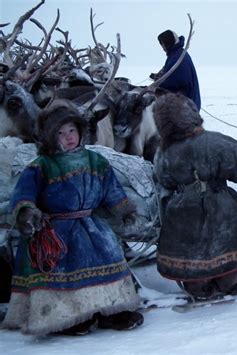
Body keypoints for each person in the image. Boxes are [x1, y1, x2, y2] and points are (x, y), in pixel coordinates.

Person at [2, 99, 144, 336]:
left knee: (109, 255)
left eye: (72, 130)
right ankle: (68, 317)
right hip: (56, 231)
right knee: (63, 269)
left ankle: (112, 310)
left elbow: (111, 188)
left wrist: (124, 209)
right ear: (49, 136)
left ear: (80, 131)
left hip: (91, 226)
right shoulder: (41, 166)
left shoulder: (95, 160)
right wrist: (27, 212)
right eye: (60, 132)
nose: (68, 137)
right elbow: (23, 194)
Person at [152, 91, 237, 299]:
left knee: (191, 249)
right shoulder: (211, 141)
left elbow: (163, 178)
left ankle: (197, 286)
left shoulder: (163, 151)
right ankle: (231, 281)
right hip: (218, 204)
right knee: (225, 244)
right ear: (191, 114)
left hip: (181, 209)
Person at [149, 29, 201, 110]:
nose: (163, 47)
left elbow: (175, 80)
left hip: (187, 104)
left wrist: (156, 84)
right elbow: (169, 73)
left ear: (169, 43)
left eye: (164, 44)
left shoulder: (178, 57)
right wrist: (157, 76)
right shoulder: (176, 54)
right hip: (186, 101)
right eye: (161, 45)